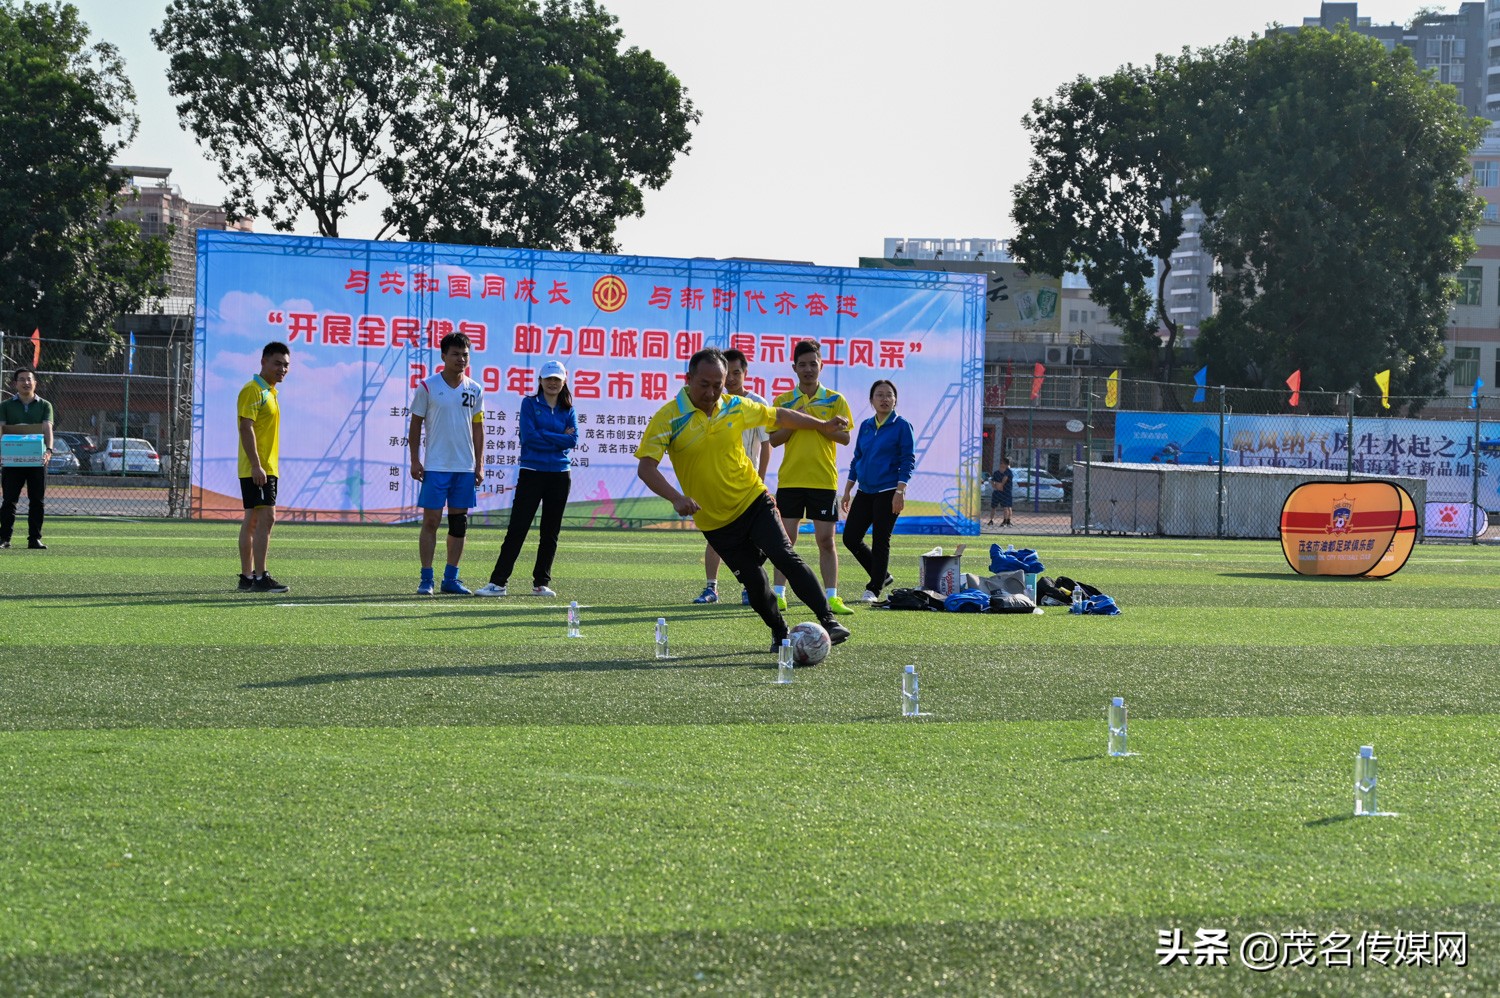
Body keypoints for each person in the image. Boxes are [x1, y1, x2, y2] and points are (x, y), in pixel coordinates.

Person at [636, 347, 851, 654]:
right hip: (715, 520)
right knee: (755, 582)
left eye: (718, 385)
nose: (712, 392)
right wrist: (676, 497)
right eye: (704, 384)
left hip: (753, 500)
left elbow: (780, 415)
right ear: (688, 379)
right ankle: (780, 633)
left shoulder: (735, 406)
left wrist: (821, 425)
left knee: (785, 555)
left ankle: (828, 620)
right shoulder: (669, 417)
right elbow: (646, 467)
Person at [476, 360, 576, 597]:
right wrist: (558, 437)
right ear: (540, 381)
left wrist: (548, 435)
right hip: (532, 473)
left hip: (560, 475)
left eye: (557, 379)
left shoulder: (568, 408)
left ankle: (541, 582)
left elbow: (573, 441)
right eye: (548, 379)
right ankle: (498, 583)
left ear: (564, 382)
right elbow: (529, 438)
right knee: (518, 528)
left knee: (550, 532)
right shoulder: (529, 403)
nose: (553, 383)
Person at [769, 339, 854, 614]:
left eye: (813, 364)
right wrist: (797, 418)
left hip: (823, 480)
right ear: (794, 367)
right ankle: (778, 594)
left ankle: (832, 597)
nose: (808, 369)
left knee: (826, 541)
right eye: (802, 364)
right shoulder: (783, 401)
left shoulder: (835, 400)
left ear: (821, 365)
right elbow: (774, 440)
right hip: (791, 480)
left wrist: (819, 424)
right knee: (786, 542)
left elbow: (844, 438)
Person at [691, 347, 771, 606]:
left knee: (754, 539)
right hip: (718, 483)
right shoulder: (712, 403)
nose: (733, 379)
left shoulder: (757, 404)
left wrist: (760, 481)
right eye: (729, 374)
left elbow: (766, 445)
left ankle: (751, 587)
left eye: (738, 372)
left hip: (748, 486)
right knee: (716, 535)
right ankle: (711, 588)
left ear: (745, 373)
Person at [408, 332, 485, 595]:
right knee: (430, 522)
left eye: (465, 355)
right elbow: (415, 424)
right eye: (455, 354)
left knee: (458, 524)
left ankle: (450, 579)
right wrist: (415, 460)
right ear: (443, 356)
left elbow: (478, 429)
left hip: (464, 468)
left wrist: (479, 464)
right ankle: (426, 579)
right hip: (436, 466)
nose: (461, 359)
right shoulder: (427, 387)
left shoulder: (475, 389)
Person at [840, 379, 915, 602]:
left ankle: (874, 588)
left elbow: (908, 460)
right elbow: (857, 459)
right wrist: (848, 490)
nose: (884, 399)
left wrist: (900, 492)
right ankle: (883, 575)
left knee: (880, 540)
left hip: (889, 490)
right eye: (879, 395)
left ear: (895, 400)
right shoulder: (865, 426)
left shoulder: (902, 425)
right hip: (865, 491)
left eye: (889, 395)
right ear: (871, 400)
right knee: (850, 538)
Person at [237, 342, 291, 592]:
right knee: (266, 518)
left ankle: (247, 577)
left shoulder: (269, 392)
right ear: (263, 362)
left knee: (253, 521)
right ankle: (261, 578)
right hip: (259, 468)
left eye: (286, 365)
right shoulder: (253, 390)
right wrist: (257, 466)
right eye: (277, 363)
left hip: (265, 467)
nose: (283, 369)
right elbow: (245, 426)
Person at [0, 367, 54, 549]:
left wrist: (49, 450)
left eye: (29, 379)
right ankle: (4, 539)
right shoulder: (5, 406)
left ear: (35, 382)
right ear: (15, 384)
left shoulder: (45, 405)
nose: (26, 383)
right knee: (9, 500)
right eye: (21, 379)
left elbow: (47, 429)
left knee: (37, 500)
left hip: (37, 461)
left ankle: (34, 539)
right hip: (12, 461)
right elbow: (1, 429)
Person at [988, 456, 1013, 527]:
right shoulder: (996, 472)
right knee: (993, 506)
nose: (1001, 464)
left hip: (1006, 492)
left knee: (1007, 507)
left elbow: (1004, 480)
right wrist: (995, 485)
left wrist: (1001, 485)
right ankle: (991, 520)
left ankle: (1007, 521)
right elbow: (992, 481)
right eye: (1001, 463)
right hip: (997, 492)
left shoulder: (1008, 472)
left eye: (1003, 463)